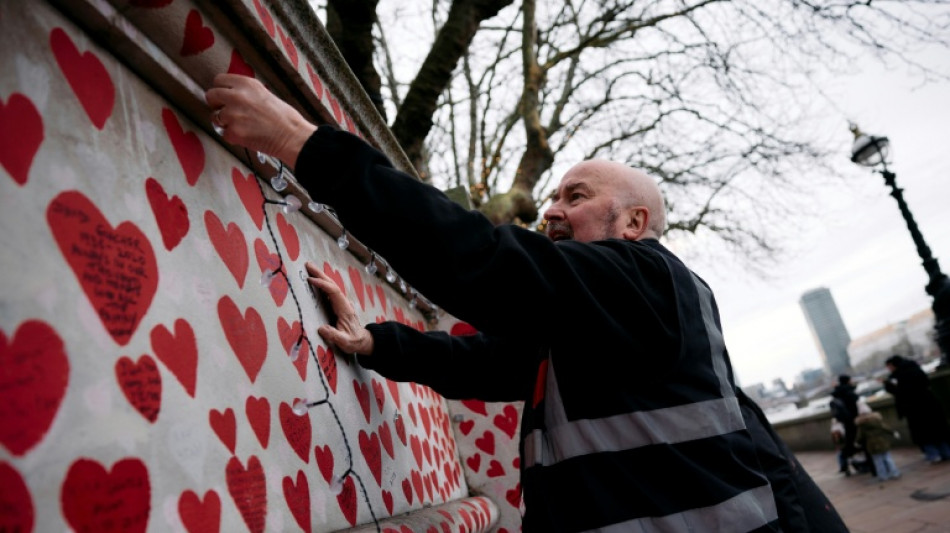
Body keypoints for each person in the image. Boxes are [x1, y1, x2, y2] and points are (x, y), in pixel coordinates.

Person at [206, 74, 848, 532]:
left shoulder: (643, 276)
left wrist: (301, 143)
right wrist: (377, 343)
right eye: (555, 197)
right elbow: (493, 362)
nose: (551, 209)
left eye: (577, 195)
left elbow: (485, 261)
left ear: (633, 222)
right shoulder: (600, 323)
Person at [883, 355, 950, 464]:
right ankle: (946, 452)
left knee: (923, 433)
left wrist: (888, 385)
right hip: (930, 404)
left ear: (893, 365)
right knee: (938, 430)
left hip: (914, 408)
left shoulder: (898, 376)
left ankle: (933, 455)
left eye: (889, 366)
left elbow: (901, 392)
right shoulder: (914, 369)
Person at [854, 400, 901, 481]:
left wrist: (857, 442)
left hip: (871, 444)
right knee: (888, 458)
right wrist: (893, 433)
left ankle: (883, 476)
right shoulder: (876, 420)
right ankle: (894, 472)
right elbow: (885, 428)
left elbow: (860, 436)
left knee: (877, 461)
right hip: (882, 441)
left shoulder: (861, 424)